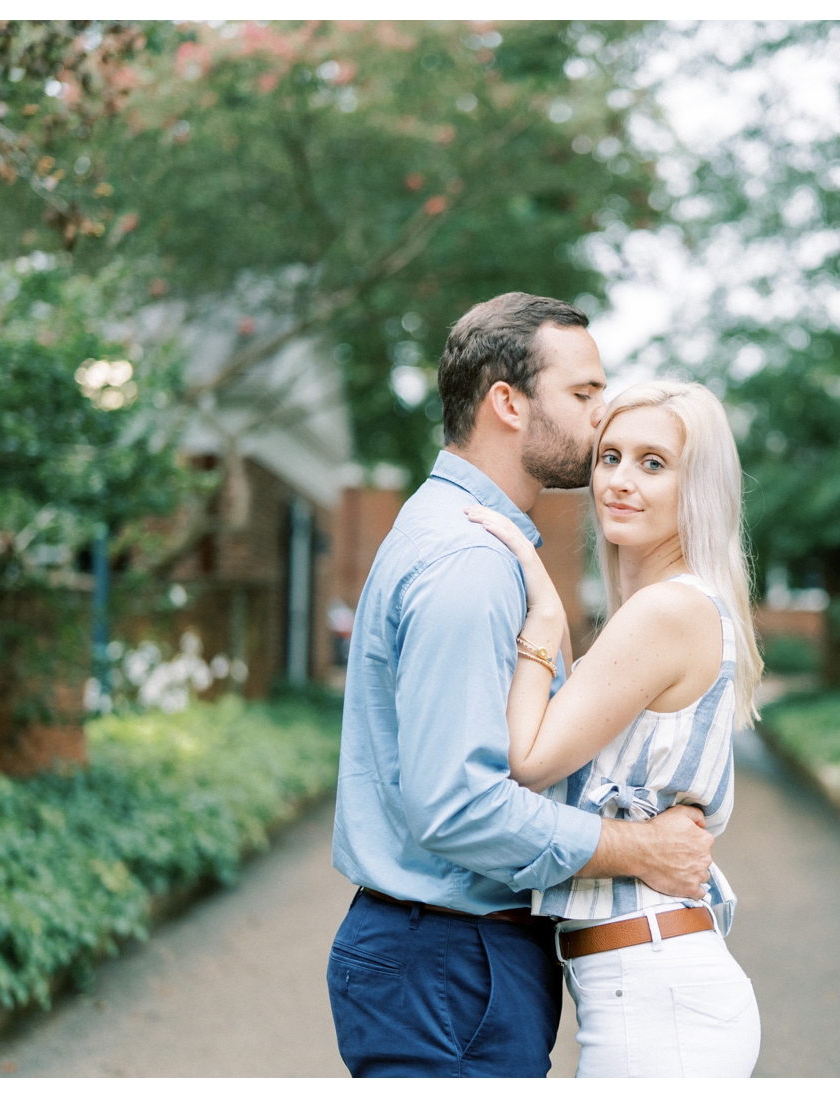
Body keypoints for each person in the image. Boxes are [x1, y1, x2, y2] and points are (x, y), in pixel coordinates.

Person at [326, 294, 716, 1078]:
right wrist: (638, 849)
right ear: (507, 402)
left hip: (441, 958)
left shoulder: (448, 530)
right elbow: (459, 806)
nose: (603, 417)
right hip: (450, 960)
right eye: (583, 394)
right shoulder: (470, 562)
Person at [465, 379, 764, 1077]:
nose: (620, 481)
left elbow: (530, 757)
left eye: (653, 463)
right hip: (649, 983)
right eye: (610, 458)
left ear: (700, 488)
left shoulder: (666, 612)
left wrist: (541, 619)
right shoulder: (677, 606)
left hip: (658, 993)